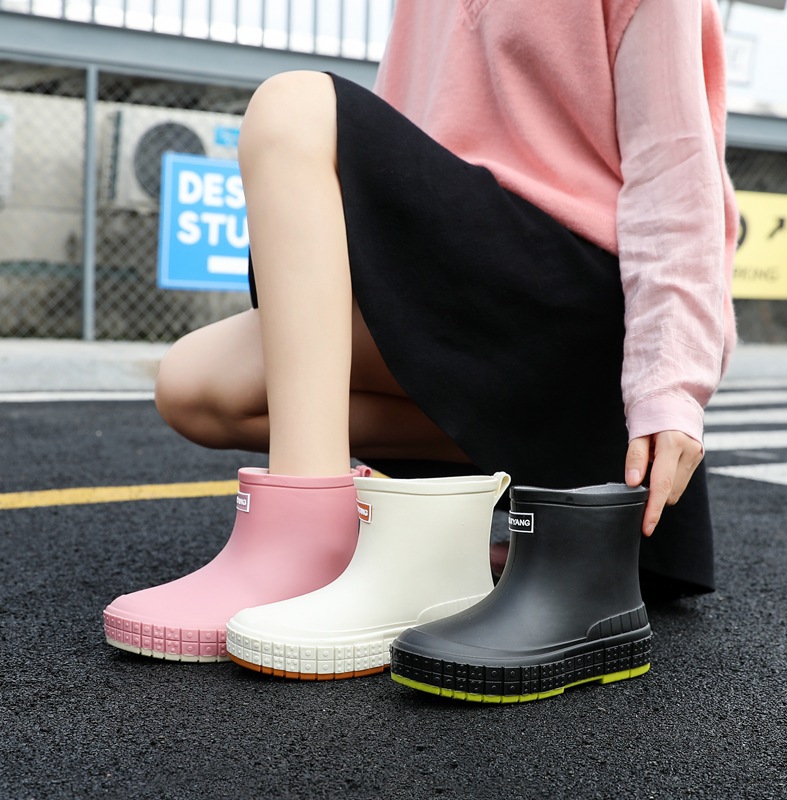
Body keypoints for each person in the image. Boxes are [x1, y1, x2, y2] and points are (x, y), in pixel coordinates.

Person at [104, 0, 737, 663]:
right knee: (195, 385)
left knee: (293, 107)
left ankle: (310, 545)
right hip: (472, 281)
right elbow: (396, 152)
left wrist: (668, 387)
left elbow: (674, 175)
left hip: (576, 300)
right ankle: (536, 483)